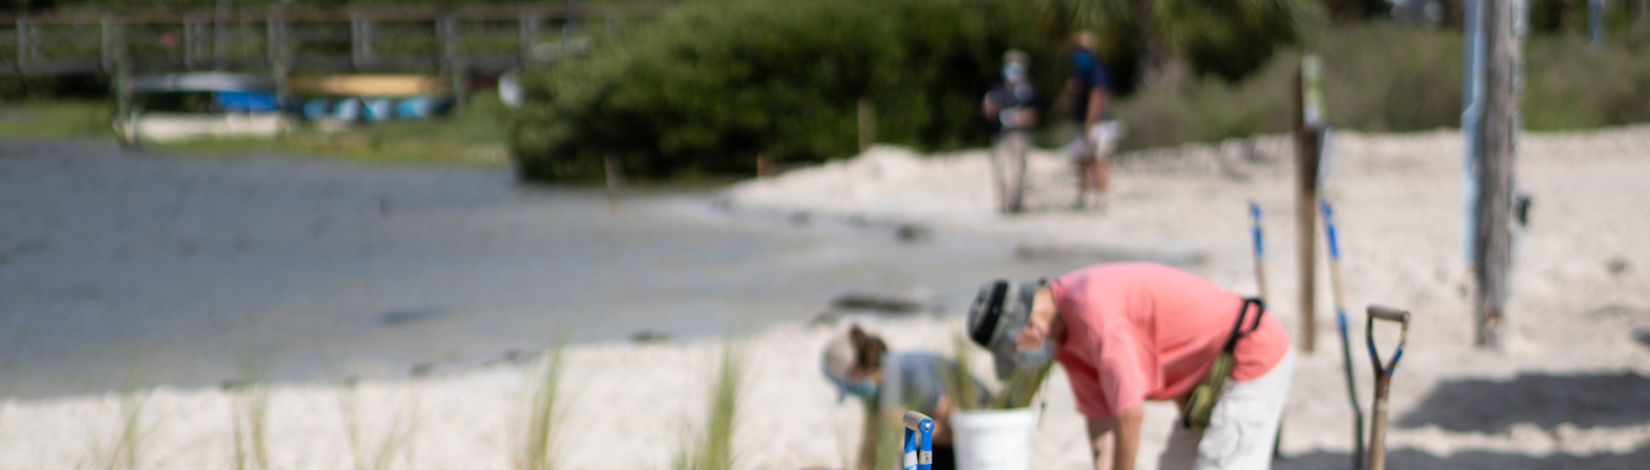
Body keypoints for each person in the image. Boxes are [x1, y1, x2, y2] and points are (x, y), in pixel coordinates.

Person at [967, 263, 1293, 470]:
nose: (1021, 357)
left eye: (1014, 348)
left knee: (1221, 463)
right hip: (1202, 384)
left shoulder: (1092, 311)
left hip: (1249, 352)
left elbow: (1130, 416)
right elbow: (1102, 426)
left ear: (1025, 326)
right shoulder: (1065, 340)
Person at [821, 325, 990, 470]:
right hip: (954, 439)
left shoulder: (910, 373)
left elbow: (955, 430)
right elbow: (870, 445)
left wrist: (905, 422)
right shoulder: (877, 389)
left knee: (914, 459)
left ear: (855, 369)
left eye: (848, 385)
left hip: (985, 430)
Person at [1061, 31, 1123, 210]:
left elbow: (1097, 97)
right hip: (1085, 122)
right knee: (1084, 160)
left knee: (1098, 159)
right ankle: (1085, 196)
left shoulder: (1096, 71)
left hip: (1097, 124)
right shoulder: (1080, 73)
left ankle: (1102, 197)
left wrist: (1090, 123)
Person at [982, 50, 1038, 213]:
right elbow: (987, 111)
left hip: (1019, 134)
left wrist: (1017, 118)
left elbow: (1034, 113)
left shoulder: (1028, 89)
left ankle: (1015, 203)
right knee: (1000, 169)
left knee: (1017, 170)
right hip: (999, 134)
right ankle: (1002, 203)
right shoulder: (996, 88)